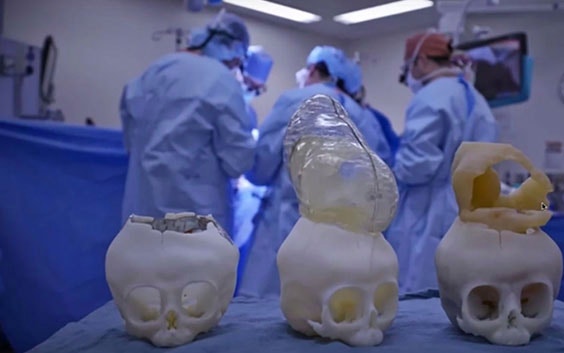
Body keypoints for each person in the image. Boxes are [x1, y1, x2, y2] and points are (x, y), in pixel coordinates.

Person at [238, 46, 390, 299]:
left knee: (275, 301)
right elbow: (381, 175)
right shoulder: (364, 116)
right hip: (347, 234)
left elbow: (261, 168)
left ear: (312, 70)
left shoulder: (296, 100)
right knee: (332, 302)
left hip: (288, 224)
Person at [119, 11, 255, 235]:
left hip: (141, 217)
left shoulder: (153, 72)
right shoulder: (222, 81)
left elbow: (131, 142)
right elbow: (239, 162)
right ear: (233, 53)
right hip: (195, 222)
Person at [386, 31, 498, 294]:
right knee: (460, 290)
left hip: (430, 210)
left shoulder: (431, 97)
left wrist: (392, 176)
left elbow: (417, 167)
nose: (409, 75)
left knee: (420, 292)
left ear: (422, 61)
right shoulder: (476, 98)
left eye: (409, 67)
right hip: (470, 208)